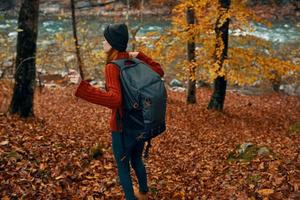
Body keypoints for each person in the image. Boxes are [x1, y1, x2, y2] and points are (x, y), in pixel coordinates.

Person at [72, 23, 164, 200]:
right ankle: (144, 192)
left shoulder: (112, 67)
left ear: (112, 43)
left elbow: (115, 100)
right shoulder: (135, 62)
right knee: (137, 159)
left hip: (122, 128)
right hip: (140, 124)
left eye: (105, 40)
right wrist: (140, 55)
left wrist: (82, 87)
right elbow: (159, 71)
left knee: (123, 167)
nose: (103, 43)